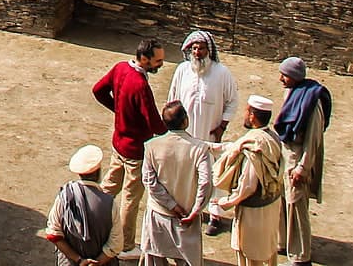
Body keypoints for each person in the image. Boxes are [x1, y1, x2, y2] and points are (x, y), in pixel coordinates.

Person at [92, 39, 168, 260]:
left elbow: (98, 90)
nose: (160, 65)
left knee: (109, 186)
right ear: (145, 59)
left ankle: (95, 222)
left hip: (119, 142)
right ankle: (125, 245)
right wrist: (170, 133)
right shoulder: (140, 85)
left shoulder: (120, 68)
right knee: (130, 198)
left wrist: (117, 110)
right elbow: (154, 121)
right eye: (158, 61)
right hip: (136, 150)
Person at [213, 95, 286, 266]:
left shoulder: (255, 147)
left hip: (254, 213)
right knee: (268, 250)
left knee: (251, 256)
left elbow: (248, 185)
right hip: (271, 205)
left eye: (246, 111)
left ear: (252, 115)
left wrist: (227, 202)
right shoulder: (273, 138)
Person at [139, 100, 212, 266]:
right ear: (185, 121)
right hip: (186, 218)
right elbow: (205, 183)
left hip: (158, 215)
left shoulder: (151, 146)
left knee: (154, 260)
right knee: (187, 262)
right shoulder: (199, 149)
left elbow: (150, 182)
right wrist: (195, 210)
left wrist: (171, 205)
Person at [275, 57, 332, 266]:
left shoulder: (311, 101)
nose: (281, 78)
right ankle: (283, 243)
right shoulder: (291, 93)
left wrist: (302, 167)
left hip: (297, 161)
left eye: (285, 75)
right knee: (282, 203)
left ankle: (300, 256)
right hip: (285, 157)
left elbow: (313, 139)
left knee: (296, 206)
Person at [42, 144, 117, 266]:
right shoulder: (110, 203)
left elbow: (53, 234)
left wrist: (79, 260)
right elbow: (116, 245)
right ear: (98, 173)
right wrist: (97, 263)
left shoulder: (64, 197)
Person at [166, 30, 238, 152]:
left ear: (208, 50)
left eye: (201, 49)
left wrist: (221, 128)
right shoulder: (182, 70)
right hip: (184, 135)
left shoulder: (222, 72)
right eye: (194, 48)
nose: (197, 53)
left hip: (209, 135)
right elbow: (172, 100)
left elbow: (232, 101)